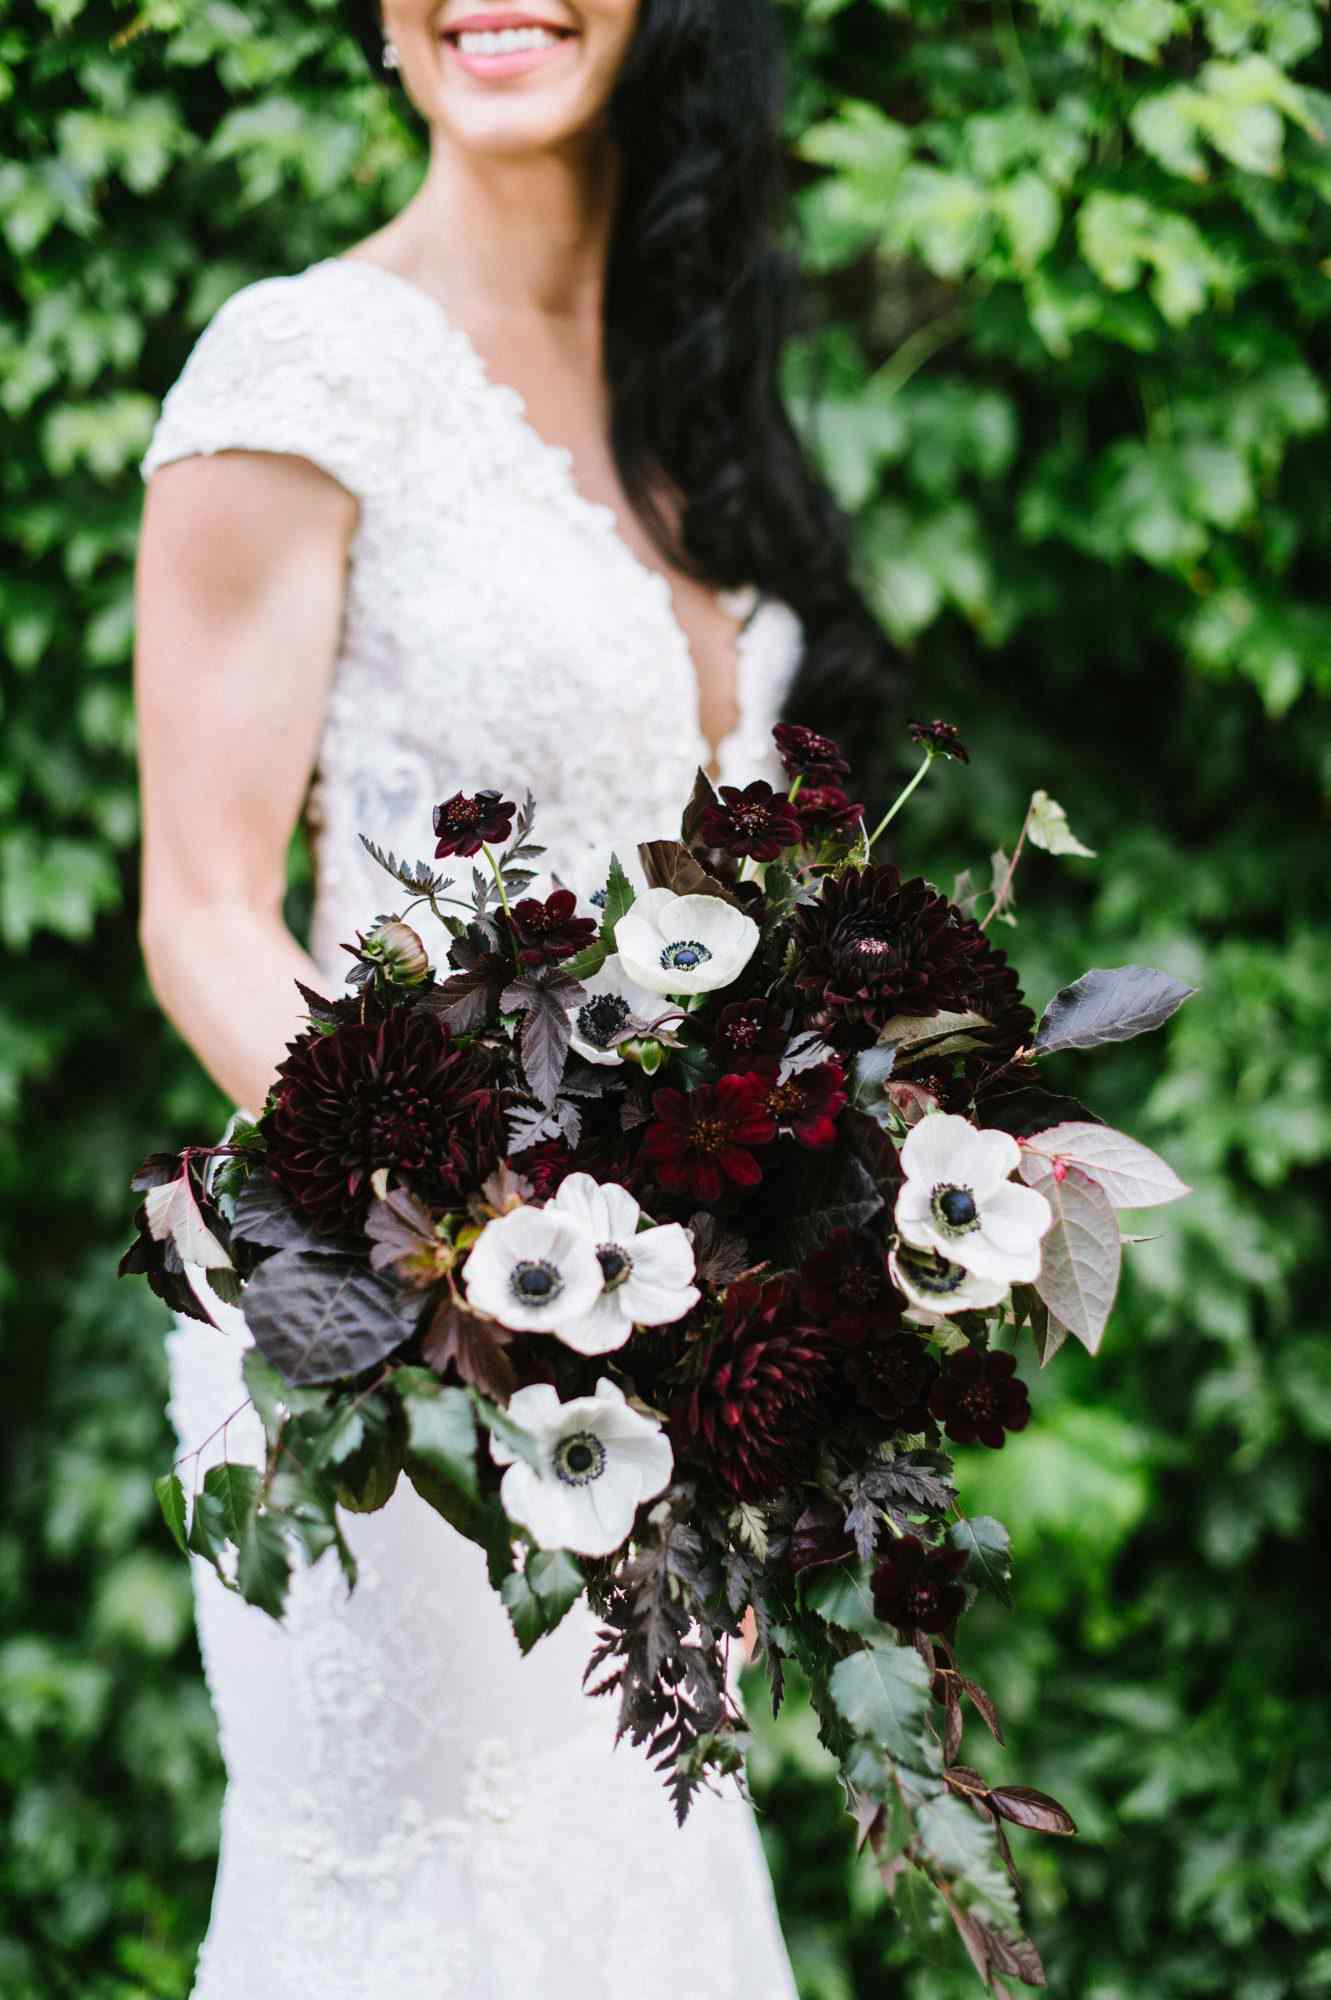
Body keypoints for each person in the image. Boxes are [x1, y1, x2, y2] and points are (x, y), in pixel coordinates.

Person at [133, 3, 902, 1993]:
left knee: (635, 1893)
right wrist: (492, 1254)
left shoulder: (689, 406)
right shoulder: (305, 364)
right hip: (386, 1320)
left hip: (660, 1365)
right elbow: (208, 912)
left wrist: (749, 1345)